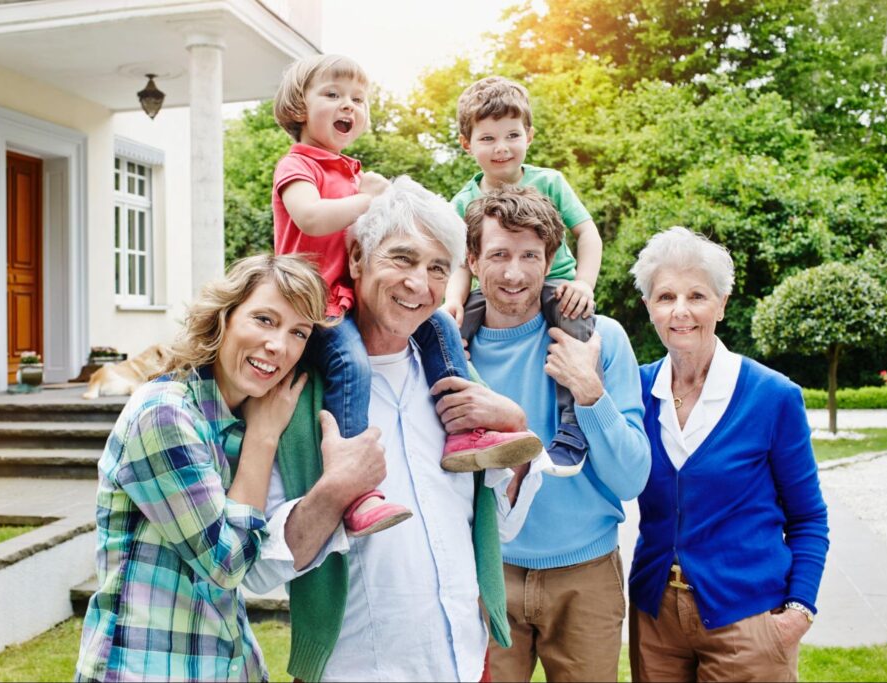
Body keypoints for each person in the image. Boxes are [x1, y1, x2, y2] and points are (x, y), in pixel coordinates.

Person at [246, 176, 547, 682]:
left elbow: (499, 524)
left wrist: (516, 434)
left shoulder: (456, 383)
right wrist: (336, 490)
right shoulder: (295, 395)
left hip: (467, 663)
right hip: (357, 671)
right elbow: (258, 567)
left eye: (436, 269)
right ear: (358, 258)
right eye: (402, 260)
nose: (419, 285)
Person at [271, 56, 541, 536]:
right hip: (313, 304)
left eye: (357, 99)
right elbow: (311, 219)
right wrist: (371, 198)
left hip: (344, 295)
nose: (347, 105)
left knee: (438, 324)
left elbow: (506, 528)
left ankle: (465, 429)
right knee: (350, 365)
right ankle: (356, 484)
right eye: (332, 95)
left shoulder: (351, 172)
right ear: (298, 105)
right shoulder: (299, 165)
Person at [74, 255, 329, 682]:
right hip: (144, 669)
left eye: (298, 333)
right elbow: (225, 565)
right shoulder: (166, 415)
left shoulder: (236, 417)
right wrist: (262, 440)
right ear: (224, 317)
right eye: (264, 319)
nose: (279, 346)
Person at [460, 187, 651, 682]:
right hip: (485, 573)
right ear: (473, 260)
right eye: (498, 254)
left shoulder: (599, 339)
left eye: (530, 256)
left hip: (585, 575)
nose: (514, 273)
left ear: (550, 261)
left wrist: (589, 391)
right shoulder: (451, 348)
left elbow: (631, 479)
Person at [628, 226, 830, 682]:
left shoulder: (773, 395)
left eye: (697, 296)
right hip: (655, 616)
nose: (680, 311)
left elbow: (809, 518)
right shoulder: (637, 391)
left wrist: (799, 610)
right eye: (665, 297)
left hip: (748, 617)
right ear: (649, 309)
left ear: (721, 304)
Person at [445, 75, 606, 471]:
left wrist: (584, 283)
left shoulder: (549, 181)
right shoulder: (464, 201)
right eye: (487, 138)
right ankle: (463, 425)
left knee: (576, 330)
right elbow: (461, 263)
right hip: (494, 290)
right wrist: (452, 300)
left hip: (556, 284)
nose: (501, 148)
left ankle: (571, 430)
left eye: (512, 135)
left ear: (529, 136)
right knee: (448, 334)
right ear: (467, 144)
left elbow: (588, 233)